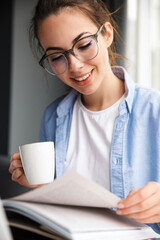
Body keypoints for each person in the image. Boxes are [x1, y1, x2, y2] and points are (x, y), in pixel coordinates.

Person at [9, 0, 160, 234]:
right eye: (57, 57)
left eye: (84, 44)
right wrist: (40, 188)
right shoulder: (53, 117)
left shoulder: (155, 112)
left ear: (107, 34)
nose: (75, 66)